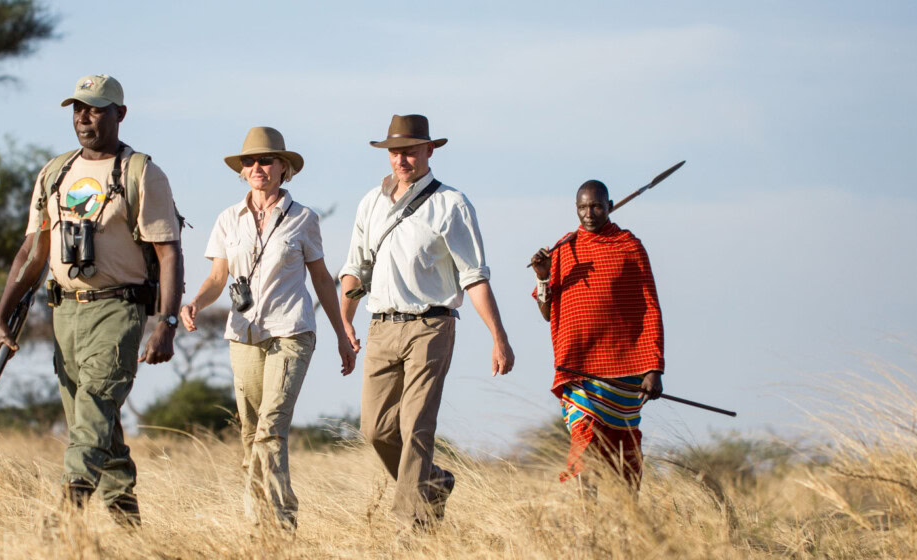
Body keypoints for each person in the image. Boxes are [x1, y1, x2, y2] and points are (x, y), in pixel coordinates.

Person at [0, 74, 183, 527]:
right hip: (64, 311)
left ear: (120, 114)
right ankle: (129, 526)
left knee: (94, 406)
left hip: (117, 308)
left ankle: (65, 517)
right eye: (77, 108)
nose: (83, 117)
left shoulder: (142, 172)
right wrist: (1, 316)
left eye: (95, 108)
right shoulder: (54, 172)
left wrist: (166, 322)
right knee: (94, 419)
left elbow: (168, 251)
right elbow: (33, 249)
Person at [338, 114, 514, 528]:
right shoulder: (370, 202)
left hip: (430, 326)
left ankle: (411, 529)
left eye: (411, 151)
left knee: (416, 425)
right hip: (380, 325)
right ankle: (432, 482)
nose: (402, 160)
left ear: (429, 151)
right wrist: (343, 321)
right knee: (376, 428)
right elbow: (354, 268)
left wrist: (498, 338)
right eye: (395, 152)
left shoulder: (452, 204)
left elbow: (475, 277)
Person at [180, 127, 357, 530]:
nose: (257, 167)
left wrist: (342, 331)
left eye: (265, 160)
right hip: (243, 334)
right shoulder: (228, 219)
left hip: (291, 331)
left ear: (283, 168)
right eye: (249, 161)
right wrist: (194, 302)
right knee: (250, 432)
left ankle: (282, 526)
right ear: (241, 171)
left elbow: (322, 280)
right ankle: (256, 525)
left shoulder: (303, 219)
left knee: (271, 428)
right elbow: (217, 277)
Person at [527, 180, 664, 491]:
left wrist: (654, 367)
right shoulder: (564, 247)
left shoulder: (630, 247)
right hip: (579, 371)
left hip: (624, 372)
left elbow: (650, 307)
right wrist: (543, 275)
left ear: (610, 205)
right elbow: (547, 312)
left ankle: (628, 519)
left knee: (623, 450)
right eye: (582, 208)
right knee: (585, 446)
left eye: (597, 206)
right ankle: (591, 522)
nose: (589, 213)